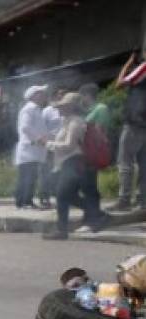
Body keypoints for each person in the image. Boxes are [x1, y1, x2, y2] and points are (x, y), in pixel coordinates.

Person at [43, 93, 95, 240]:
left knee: (62, 195)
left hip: (73, 161)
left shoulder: (75, 122)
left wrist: (47, 144)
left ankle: (62, 230)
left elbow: (69, 145)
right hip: (65, 162)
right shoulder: (68, 121)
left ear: (71, 107)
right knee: (67, 195)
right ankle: (96, 213)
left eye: (62, 106)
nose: (59, 109)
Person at [109, 49, 146, 212]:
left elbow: (119, 84)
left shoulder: (144, 68)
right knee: (144, 165)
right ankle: (142, 201)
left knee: (125, 162)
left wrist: (129, 63)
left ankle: (124, 200)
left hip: (135, 122)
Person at [76, 83, 111, 231]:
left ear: (87, 95)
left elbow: (100, 132)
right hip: (84, 154)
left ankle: (94, 219)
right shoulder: (87, 111)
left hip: (93, 153)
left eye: (81, 96)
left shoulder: (100, 109)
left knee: (90, 187)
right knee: (86, 186)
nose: (80, 100)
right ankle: (90, 216)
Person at [14, 85, 49, 210]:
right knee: (28, 177)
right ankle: (25, 202)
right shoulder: (29, 109)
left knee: (30, 176)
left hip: (34, 149)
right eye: (41, 93)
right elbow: (25, 127)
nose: (44, 95)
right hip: (29, 149)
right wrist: (38, 138)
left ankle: (24, 201)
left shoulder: (36, 109)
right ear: (34, 95)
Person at [38, 89, 65, 209]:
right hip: (50, 146)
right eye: (61, 95)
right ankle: (44, 197)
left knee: (62, 173)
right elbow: (41, 128)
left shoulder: (68, 111)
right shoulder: (47, 111)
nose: (63, 97)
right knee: (46, 172)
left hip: (64, 146)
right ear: (55, 97)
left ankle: (60, 197)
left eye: (64, 95)